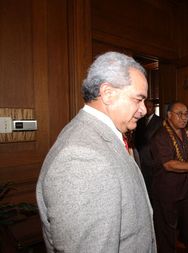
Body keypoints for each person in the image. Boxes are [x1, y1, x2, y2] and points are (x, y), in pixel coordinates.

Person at [36, 52, 157, 252]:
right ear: (108, 93)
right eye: (138, 99)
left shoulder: (104, 137)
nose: (144, 110)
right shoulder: (81, 158)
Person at [150, 101, 188, 253]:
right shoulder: (161, 136)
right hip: (168, 190)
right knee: (167, 226)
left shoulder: (185, 133)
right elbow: (169, 164)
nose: (184, 118)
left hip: (187, 187)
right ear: (169, 115)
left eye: (186, 114)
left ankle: (187, 242)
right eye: (179, 114)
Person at [134, 99, 163, 193]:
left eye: (150, 107)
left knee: (153, 187)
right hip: (140, 157)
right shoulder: (139, 121)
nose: (147, 109)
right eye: (146, 107)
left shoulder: (160, 121)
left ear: (154, 108)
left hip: (152, 159)